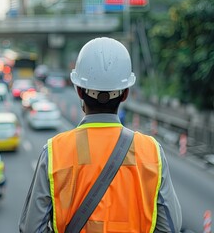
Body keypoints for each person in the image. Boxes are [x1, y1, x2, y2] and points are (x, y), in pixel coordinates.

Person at [19, 37, 182, 233]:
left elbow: (31, 229)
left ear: (79, 91)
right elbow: (170, 228)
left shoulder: (55, 152)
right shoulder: (151, 152)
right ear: (125, 94)